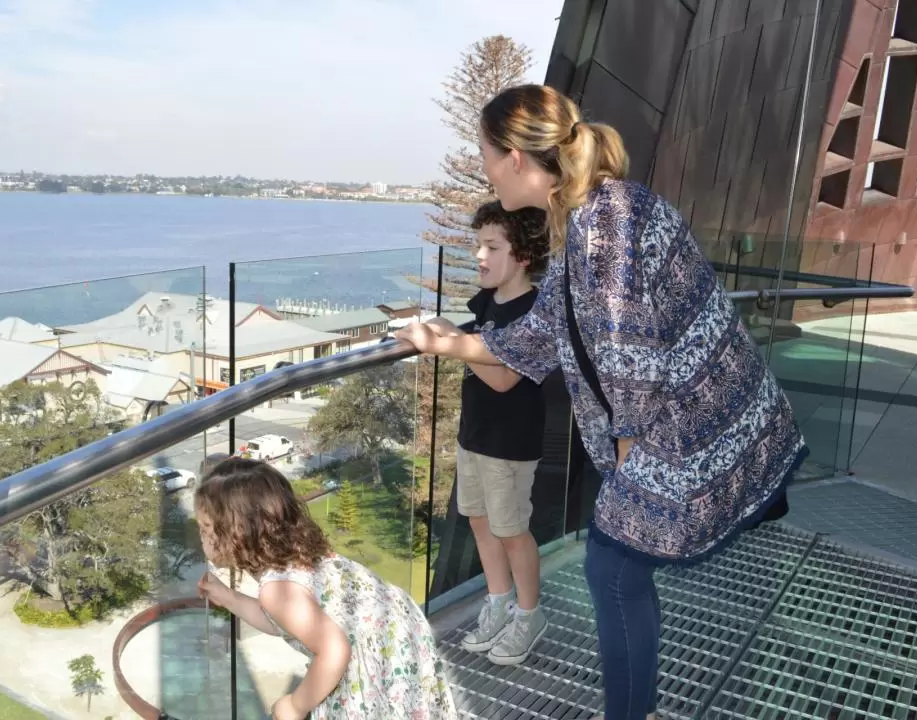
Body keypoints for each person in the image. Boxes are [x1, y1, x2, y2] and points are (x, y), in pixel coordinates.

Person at [396, 84, 807, 720]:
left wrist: (623, 471)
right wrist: (451, 342)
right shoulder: (589, 216)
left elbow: (628, 362)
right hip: (703, 425)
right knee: (617, 572)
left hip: (691, 433)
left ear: (513, 157)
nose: (482, 168)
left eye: (483, 154)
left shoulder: (601, 227)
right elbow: (542, 335)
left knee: (612, 571)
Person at [193, 457, 458, 720]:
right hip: (400, 647)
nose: (201, 536)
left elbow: (335, 650)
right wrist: (229, 598)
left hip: (366, 672)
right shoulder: (302, 553)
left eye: (205, 528)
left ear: (239, 534)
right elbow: (287, 620)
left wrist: (295, 705)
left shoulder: (277, 591)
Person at [445, 199, 550, 666]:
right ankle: (499, 602)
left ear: (523, 255)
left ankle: (529, 614)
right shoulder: (487, 302)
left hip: (510, 444)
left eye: (491, 246)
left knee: (512, 531)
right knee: (481, 523)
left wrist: (450, 344)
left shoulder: (535, 311)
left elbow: (506, 377)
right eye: (477, 246)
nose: (479, 256)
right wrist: (454, 335)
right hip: (476, 436)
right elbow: (479, 343)